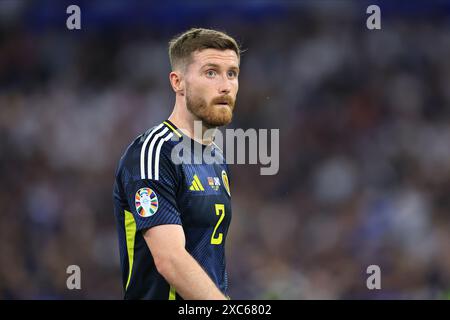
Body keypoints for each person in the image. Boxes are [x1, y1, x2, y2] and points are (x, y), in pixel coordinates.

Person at [113, 28, 240, 299]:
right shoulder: (154, 151)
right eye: (211, 72)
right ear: (177, 82)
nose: (225, 85)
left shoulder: (216, 157)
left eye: (232, 73)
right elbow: (170, 260)